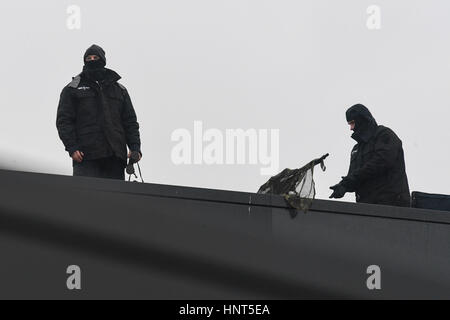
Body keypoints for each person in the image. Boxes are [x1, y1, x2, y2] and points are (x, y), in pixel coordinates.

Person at [56, 44, 142, 180]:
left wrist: (135, 148)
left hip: (115, 156)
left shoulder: (120, 90)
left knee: (114, 199)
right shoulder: (72, 89)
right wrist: (72, 147)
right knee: (85, 198)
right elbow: (64, 121)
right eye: (88, 58)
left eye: (95, 57)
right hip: (86, 157)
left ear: (103, 59)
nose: (92, 60)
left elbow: (130, 122)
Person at [329, 104, 410, 207]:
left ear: (362, 120)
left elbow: (380, 162)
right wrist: (343, 186)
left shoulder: (384, 135)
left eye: (352, 123)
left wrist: (348, 181)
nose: (351, 128)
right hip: (367, 207)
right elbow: (355, 176)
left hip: (391, 205)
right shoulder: (356, 149)